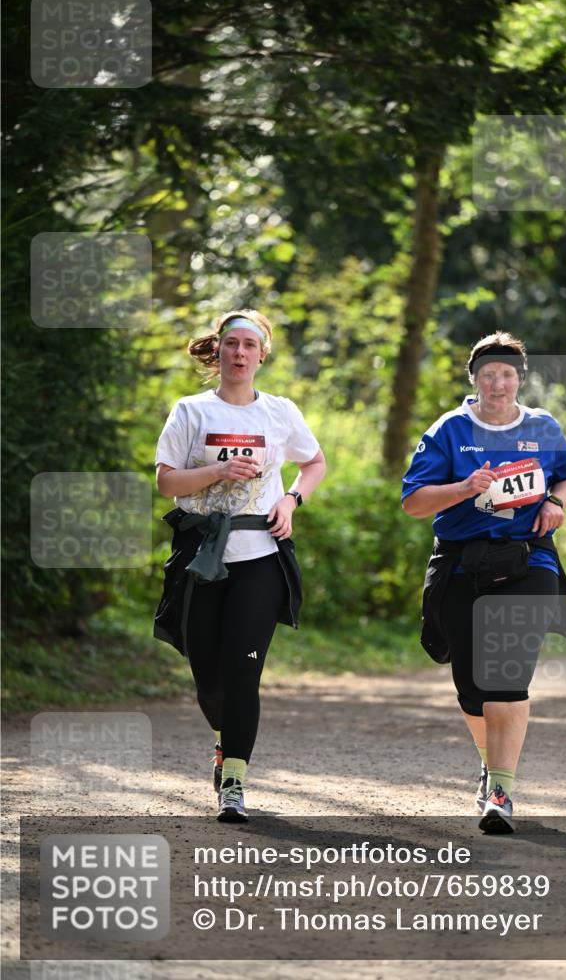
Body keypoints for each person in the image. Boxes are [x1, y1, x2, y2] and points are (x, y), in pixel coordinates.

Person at [402, 331, 566, 834]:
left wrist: (557, 502)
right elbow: (413, 502)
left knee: (506, 677)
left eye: (507, 374)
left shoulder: (543, 427)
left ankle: (501, 792)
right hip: (462, 564)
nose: (498, 383)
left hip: (530, 562)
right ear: (474, 379)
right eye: (489, 374)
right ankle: (491, 765)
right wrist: (464, 488)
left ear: (520, 379)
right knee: (472, 689)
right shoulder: (449, 430)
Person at [153, 309, 326, 822]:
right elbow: (166, 482)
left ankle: (234, 781)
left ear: (262, 355)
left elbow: (314, 462)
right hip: (201, 557)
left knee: (243, 671)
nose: (240, 353)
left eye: (250, 345)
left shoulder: (279, 412)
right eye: (232, 343)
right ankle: (222, 738)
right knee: (209, 678)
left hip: (260, 559)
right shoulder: (191, 411)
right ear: (219, 350)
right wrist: (219, 470)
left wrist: (291, 499)